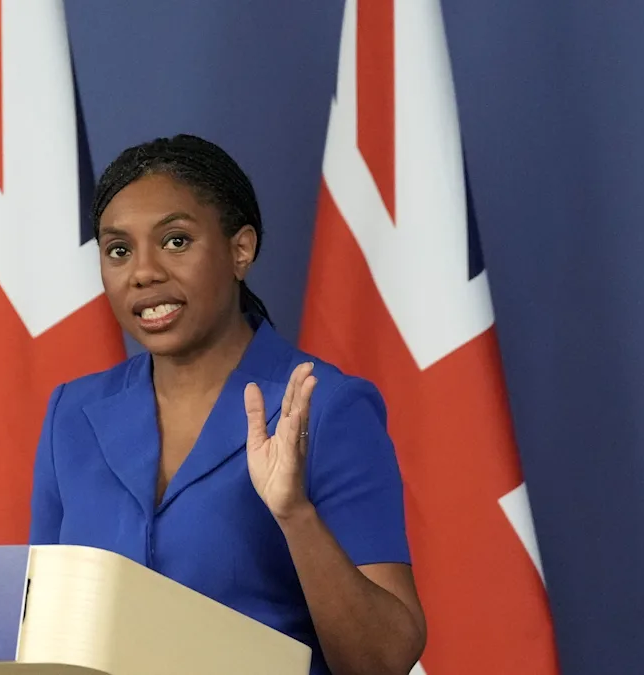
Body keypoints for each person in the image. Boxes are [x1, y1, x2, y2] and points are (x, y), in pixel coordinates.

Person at [28, 134, 426, 675]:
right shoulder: (71, 415)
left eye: (175, 241)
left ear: (241, 250)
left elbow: (384, 660)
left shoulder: (325, 407)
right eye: (118, 250)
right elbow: (43, 626)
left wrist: (295, 515)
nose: (143, 272)